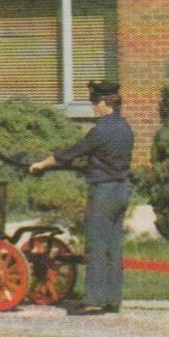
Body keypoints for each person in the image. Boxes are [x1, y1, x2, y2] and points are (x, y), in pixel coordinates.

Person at [30, 79, 134, 316]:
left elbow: (70, 153)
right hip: (122, 189)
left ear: (106, 103)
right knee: (113, 246)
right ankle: (112, 299)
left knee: (96, 245)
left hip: (104, 192)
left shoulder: (101, 131)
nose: (94, 108)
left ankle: (94, 300)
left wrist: (41, 165)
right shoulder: (126, 128)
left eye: (96, 103)